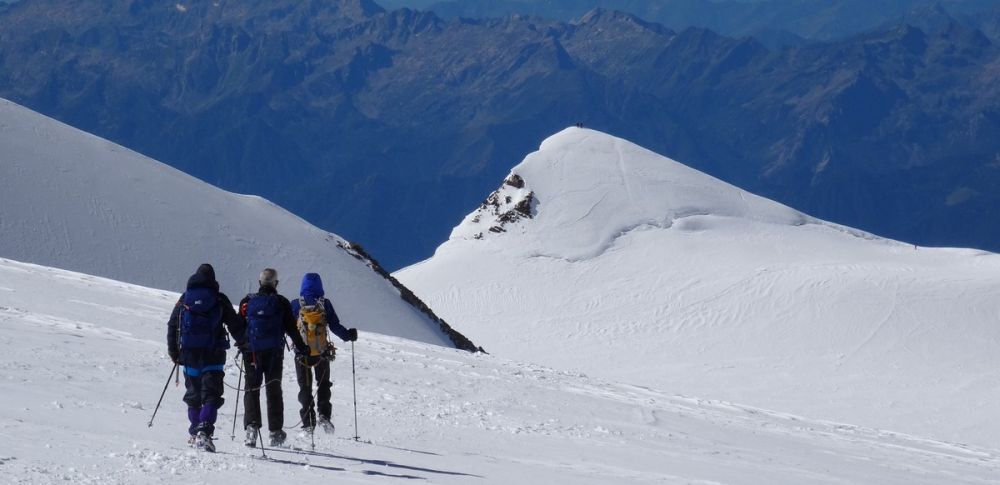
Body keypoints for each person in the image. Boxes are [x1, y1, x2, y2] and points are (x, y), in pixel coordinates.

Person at [166, 263, 246, 453]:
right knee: (211, 394)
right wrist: (244, 343)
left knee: (193, 395)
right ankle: (204, 432)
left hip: (189, 353)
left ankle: (195, 432)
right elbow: (234, 324)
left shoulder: (185, 298)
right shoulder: (218, 298)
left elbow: (172, 324)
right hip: (213, 354)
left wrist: (174, 352)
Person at [239, 268, 309, 447]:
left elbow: (239, 326)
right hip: (274, 353)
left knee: (251, 388)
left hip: (251, 352)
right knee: (273, 389)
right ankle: (275, 432)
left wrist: (242, 344)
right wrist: (302, 348)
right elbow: (291, 329)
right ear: (275, 284)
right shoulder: (281, 302)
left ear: (259, 282)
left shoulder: (247, 301)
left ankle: (251, 429)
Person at [291, 273, 358, 434]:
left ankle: (308, 423)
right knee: (323, 384)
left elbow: (287, 326)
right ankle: (324, 416)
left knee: (304, 387)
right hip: (321, 352)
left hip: (302, 354)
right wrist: (348, 335)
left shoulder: (295, 304)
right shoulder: (324, 303)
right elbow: (335, 326)